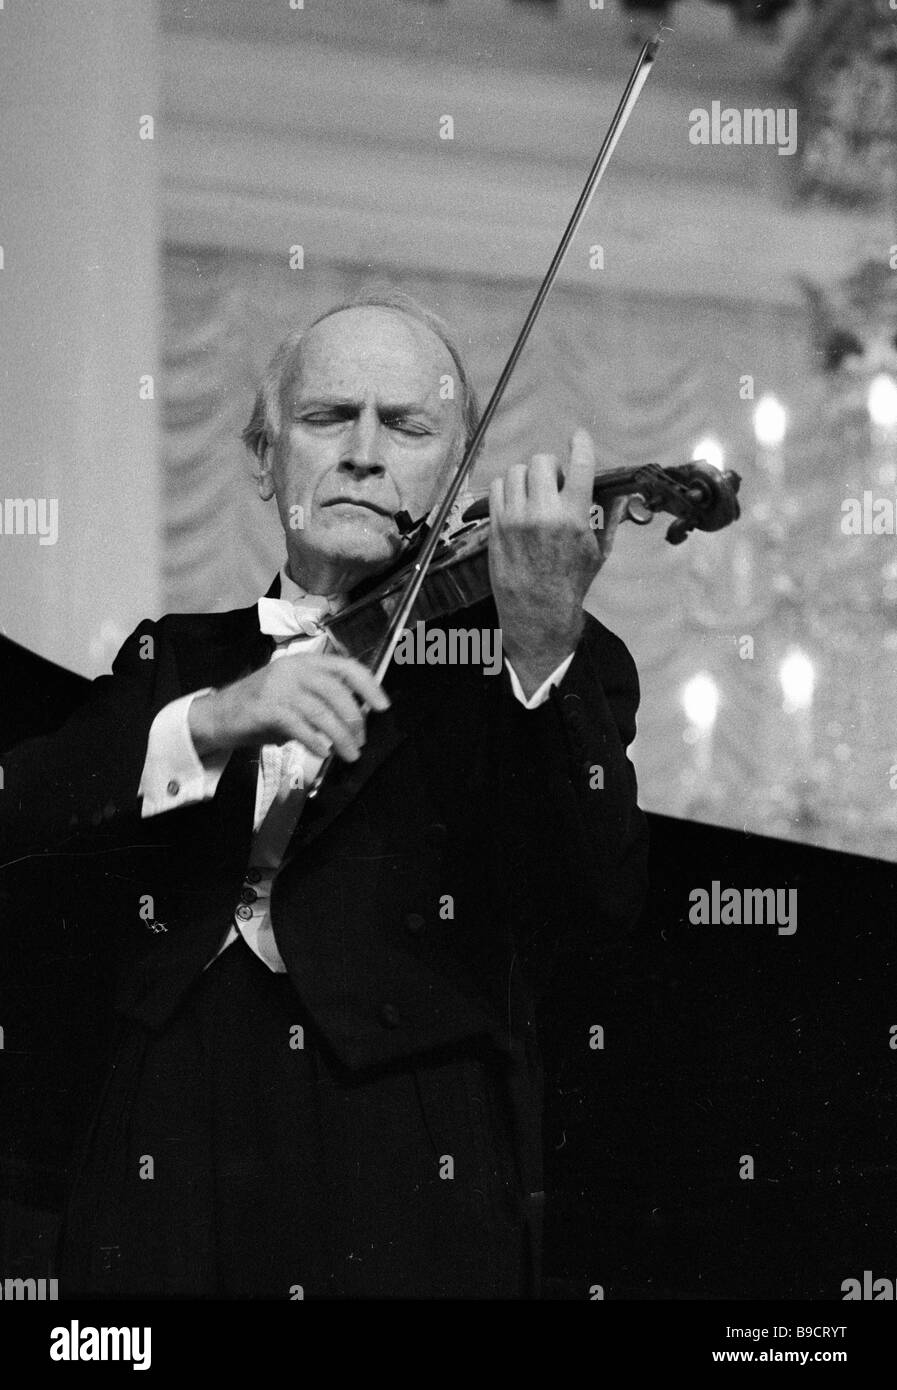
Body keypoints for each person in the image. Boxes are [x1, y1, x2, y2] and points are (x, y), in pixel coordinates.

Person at [0, 290, 648, 1299]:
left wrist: (540, 641)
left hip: (403, 1130)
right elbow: (24, 802)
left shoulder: (535, 649)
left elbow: (598, 892)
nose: (362, 451)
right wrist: (215, 719)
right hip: (164, 1121)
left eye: (407, 425)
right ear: (266, 458)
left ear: (455, 473)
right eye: (326, 418)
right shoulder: (180, 655)